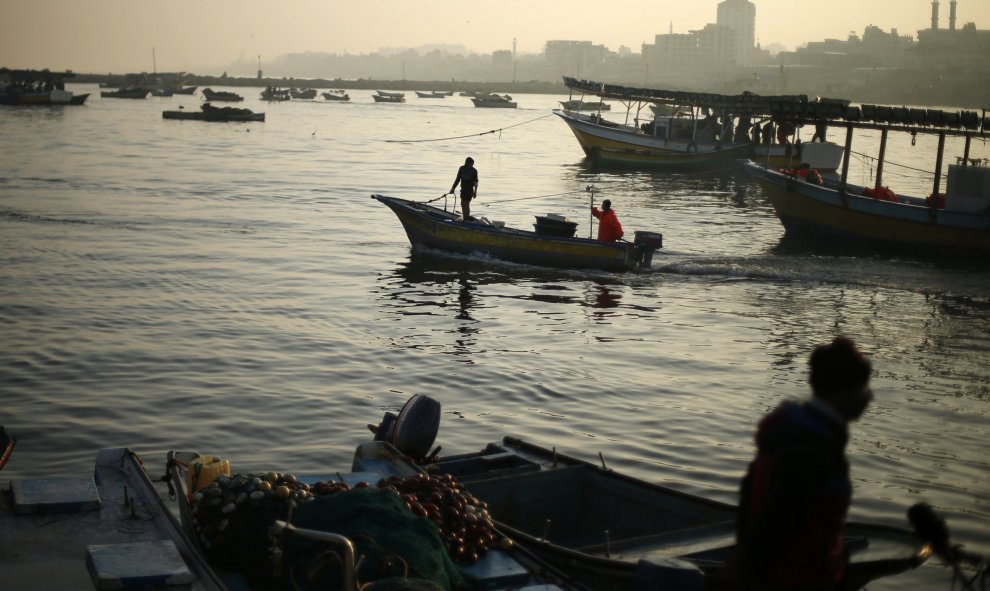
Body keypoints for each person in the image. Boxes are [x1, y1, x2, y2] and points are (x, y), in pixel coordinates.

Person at [736, 336, 873, 591]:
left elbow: (748, 499)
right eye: (864, 387)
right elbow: (776, 524)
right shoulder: (812, 451)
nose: (869, 397)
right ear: (846, 391)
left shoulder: (791, 432)